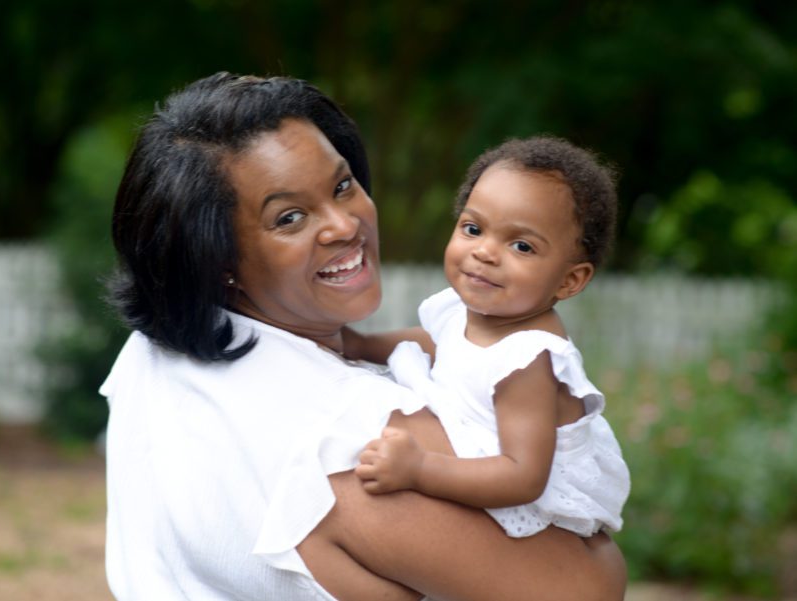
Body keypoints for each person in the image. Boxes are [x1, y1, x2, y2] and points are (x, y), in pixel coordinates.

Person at [102, 72, 627, 600]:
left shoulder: (148, 357)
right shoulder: (361, 433)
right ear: (215, 259)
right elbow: (586, 590)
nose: (344, 225)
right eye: (289, 217)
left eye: (342, 186)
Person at [349, 137, 631, 539]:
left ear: (570, 280)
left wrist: (419, 468)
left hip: (534, 509)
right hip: (480, 462)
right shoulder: (474, 312)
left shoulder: (528, 361)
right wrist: (360, 345)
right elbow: (439, 344)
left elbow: (522, 478)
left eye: (521, 246)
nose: (485, 252)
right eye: (473, 228)